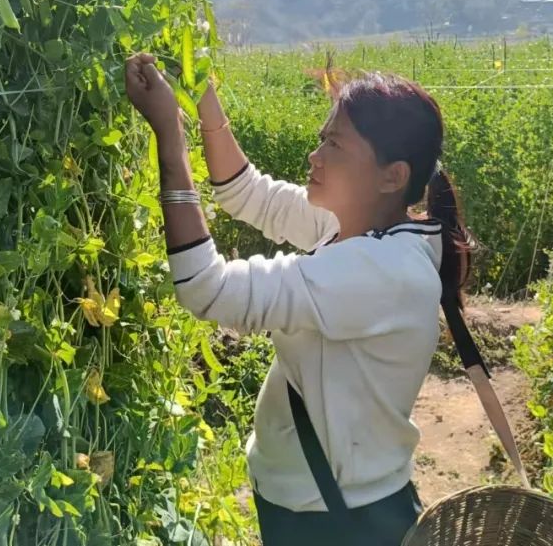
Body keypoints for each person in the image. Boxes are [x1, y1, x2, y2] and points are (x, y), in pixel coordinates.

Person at [124, 53, 473, 546]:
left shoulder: (382, 271)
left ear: (392, 176)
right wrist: (203, 96)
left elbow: (206, 287)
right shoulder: (357, 225)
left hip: (334, 519)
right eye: (321, 138)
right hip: (320, 500)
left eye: (335, 144)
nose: (316, 155)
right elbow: (246, 193)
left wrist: (170, 140)